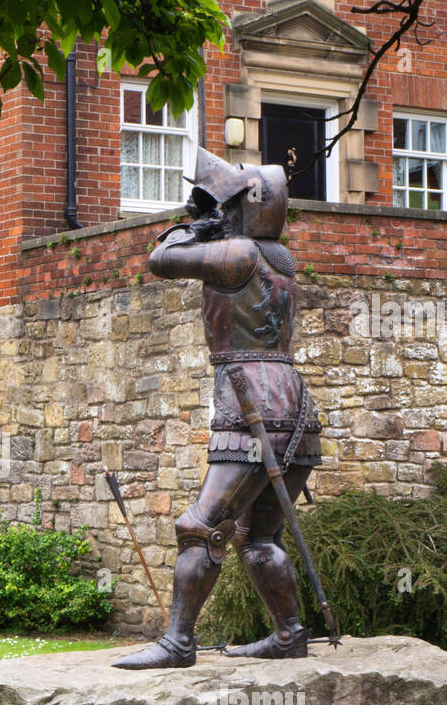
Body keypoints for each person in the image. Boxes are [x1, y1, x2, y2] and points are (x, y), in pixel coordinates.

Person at [113, 148, 322, 670]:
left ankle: (179, 642)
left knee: (200, 526)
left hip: (250, 399)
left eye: (223, 206)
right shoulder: (282, 261)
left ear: (245, 207)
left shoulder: (239, 255)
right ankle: (289, 633)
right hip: (294, 403)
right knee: (259, 534)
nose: (215, 213)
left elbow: (160, 258)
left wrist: (200, 225)